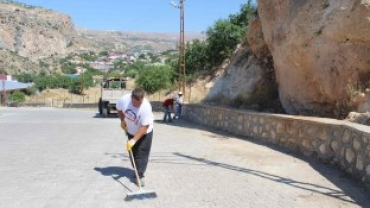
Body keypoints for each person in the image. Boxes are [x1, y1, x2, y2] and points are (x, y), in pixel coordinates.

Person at [116, 88, 154, 187]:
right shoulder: (124, 100)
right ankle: (136, 169)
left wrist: (133, 141)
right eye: (135, 103)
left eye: (140, 102)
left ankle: (140, 175)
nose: (138, 105)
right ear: (131, 97)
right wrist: (122, 121)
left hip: (145, 132)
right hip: (131, 131)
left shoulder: (146, 107)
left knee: (142, 152)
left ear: (143, 99)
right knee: (133, 152)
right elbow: (119, 110)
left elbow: (144, 128)